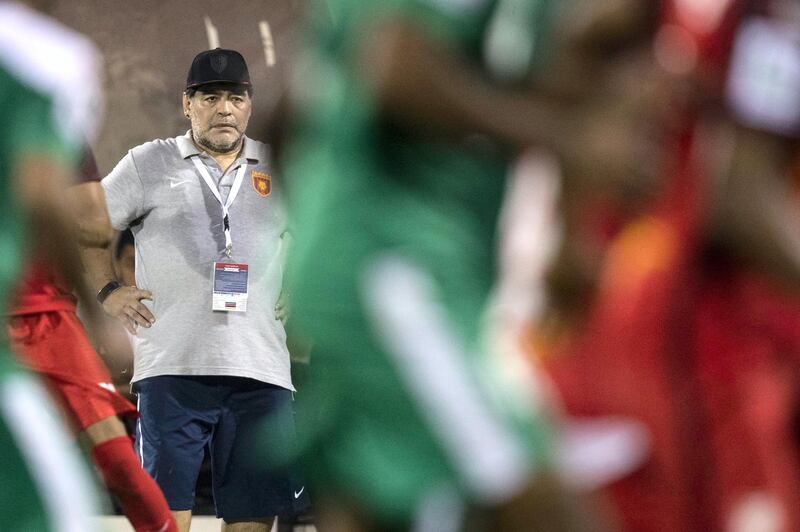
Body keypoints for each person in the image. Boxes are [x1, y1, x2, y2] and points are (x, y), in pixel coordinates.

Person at [270, 1, 601, 530]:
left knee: (369, 510)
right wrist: (564, 138)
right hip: (392, 269)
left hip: (366, 260)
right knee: (536, 492)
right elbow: (397, 64)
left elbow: (289, 112)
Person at [80, 47, 303, 532]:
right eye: (210, 97)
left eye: (235, 97)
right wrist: (107, 289)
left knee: (253, 521)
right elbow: (84, 226)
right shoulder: (149, 162)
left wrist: (302, 285)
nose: (224, 108)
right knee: (164, 520)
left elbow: (316, 230)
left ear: (249, 104)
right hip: (172, 369)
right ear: (188, 104)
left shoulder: (280, 163)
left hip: (260, 367)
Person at [7, 148, 178, 532]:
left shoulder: (48, 125)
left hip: (47, 319)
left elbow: (95, 227)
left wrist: (47, 201)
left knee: (118, 461)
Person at [0, 1, 106, 530]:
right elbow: (51, 201)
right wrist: (101, 311)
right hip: (37, 312)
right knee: (64, 500)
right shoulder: (39, 56)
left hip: (38, 308)